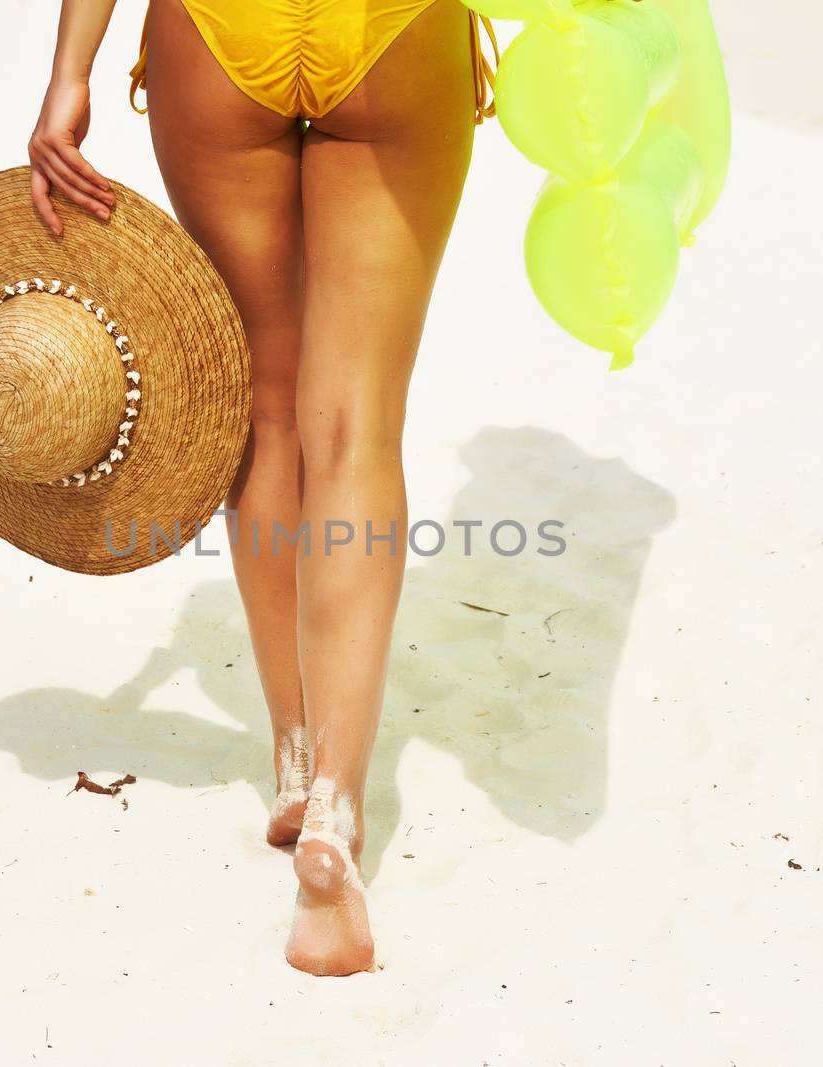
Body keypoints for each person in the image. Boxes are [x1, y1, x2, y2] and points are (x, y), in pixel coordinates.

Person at [27, 0, 496, 977]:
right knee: (353, 424)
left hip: (215, 31)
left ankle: (290, 748)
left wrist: (71, 71)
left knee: (267, 408)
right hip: (392, 30)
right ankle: (336, 795)